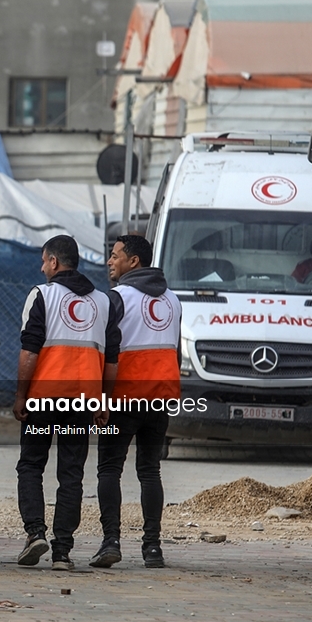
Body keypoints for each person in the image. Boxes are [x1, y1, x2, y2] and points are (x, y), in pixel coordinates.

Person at [12, 235, 120, 571]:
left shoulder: (42, 295)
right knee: (71, 473)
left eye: (44, 261)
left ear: (55, 262)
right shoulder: (103, 302)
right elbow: (112, 359)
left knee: (31, 465)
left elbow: (30, 351)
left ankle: (35, 533)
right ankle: (62, 551)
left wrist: (20, 394)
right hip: (83, 401)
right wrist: (104, 399)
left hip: (44, 399)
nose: (42, 267)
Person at [91, 235, 181, 569]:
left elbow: (107, 353)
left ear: (134, 262)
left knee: (109, 469)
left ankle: (110, 541)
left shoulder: (116, 298)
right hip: (160, 398)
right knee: (149, 470)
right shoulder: (173, 299)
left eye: (115, 256)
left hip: (123, 397)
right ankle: (152, 548)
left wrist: (101, 398)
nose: (110, 262)